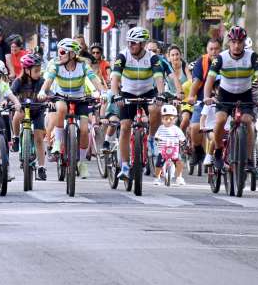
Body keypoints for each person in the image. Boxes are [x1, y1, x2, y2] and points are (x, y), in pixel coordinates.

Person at [201, 25, 258, 169]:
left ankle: (249, 159)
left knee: (248, 122)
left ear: (244, 43)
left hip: (245, 94)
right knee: (220, 120)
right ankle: (218, 150)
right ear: (229, 43)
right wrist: (207, 96)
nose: (237, 46)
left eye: (240, 42)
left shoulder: (252, 57)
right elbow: (210, 80)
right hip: (225, 93)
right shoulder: (221, 58)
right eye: (234, 42)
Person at [39, 38, 103, 179]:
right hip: (61, 96)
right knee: (61, 108)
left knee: (85, 130)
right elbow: (48, 81)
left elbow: (94, 79)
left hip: (80, 99)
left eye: (62, 52)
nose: (59, 55)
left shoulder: (83, 66)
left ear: (72, 54)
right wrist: (43, 91)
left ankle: (81, 162)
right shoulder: (56, 66)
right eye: (58, 51)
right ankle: (57, 142)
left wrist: (102, 92)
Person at [110, 26, 167, 182]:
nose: (131, 46)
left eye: (134, 43)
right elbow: (114, 78)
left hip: (148, 91)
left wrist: (161, 94)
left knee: (156, 108)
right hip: (127, 92)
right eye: (129, 43)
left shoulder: (152, 58)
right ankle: (125, 166)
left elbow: (159, 79)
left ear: (142, 44)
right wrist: (116, 95)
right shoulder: (123, 56)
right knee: (125, 127)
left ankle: (151, 139)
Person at [12, 52, 49, 180]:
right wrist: (8, 101)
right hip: (23, 109)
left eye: (40, 70)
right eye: (36, 70)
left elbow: (49, 93)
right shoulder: (18, 82)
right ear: (27, 70)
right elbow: (10, 94)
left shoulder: (42, 81)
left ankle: (41, 167)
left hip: (37, 111)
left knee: (39, 139)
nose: (39, 73)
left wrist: (50, 101)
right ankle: (16, 137)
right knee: (17, 116)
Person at [187, 38, 222, 169]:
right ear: (207, 50)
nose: (213, 51)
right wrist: (191, 96)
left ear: (221, 49)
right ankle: (197, 150)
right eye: (211, 49)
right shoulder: (201, 62)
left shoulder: (225, 60)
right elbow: (196, 83)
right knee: (195, 128)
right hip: (203, 101)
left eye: (216, 49)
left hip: (222, 102)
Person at [153, 104, 187, 186]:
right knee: (159, 163)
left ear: (175, 120)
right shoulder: (161, 128)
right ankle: (157, 178)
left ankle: (179, 177)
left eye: (171, 119)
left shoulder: (176, 129)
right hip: (163, 150)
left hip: (174, 150)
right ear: (162, 119)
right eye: (166, 119)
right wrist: (157, 138)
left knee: (179, 162)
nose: (168, 121)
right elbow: (157, 135)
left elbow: (182, 137)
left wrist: (183, 141)